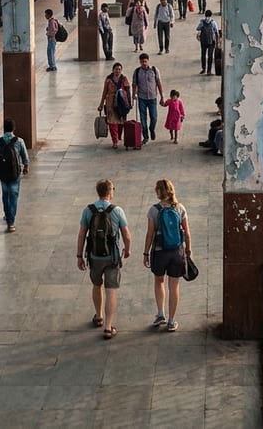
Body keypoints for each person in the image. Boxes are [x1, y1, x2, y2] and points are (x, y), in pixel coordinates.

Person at [76, 179, 132, 339]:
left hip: (94, 256)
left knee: (96, 284)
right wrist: (127, 250)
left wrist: (80, 255)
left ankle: (98, 315)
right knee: (111, 290)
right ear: (110, 192)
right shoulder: (117, 211)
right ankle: (108, 327)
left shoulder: (88, 210)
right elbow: (127, 235)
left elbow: (82, 234)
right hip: (112, 256)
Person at [142, 179, 192, 332]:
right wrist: (188, 250)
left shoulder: (154, 210)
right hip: (176, 252)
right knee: (174, 285)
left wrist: (145, 252)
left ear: (159, 192)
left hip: (159, 251)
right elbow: (187, 234)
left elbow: (150, 234)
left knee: (159, 281)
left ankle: (160, 313)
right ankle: (171, 321)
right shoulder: (180, 208)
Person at [0, 118, 30, 232]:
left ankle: (7, 215)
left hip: (2, 174)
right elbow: (25, 157)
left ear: (4, 129)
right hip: (15, 173)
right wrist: (26, 167)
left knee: (5, 195)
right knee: (13, 195)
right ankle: (11, 223)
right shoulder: (19, 141)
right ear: (13, 128)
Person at [98, 62, 132, 149]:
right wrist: (101, 104)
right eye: (116, 69)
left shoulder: (124, 79)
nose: (118, 71)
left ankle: (119, 136)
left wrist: (129, 103)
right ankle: (115, 141)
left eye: (119, 69)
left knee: (121, 122)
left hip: (121, 104)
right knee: (112, 123)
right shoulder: (108, 80)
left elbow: (128, 92)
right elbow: (104, 92)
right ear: (113, 70)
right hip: (110, 104)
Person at [132, 53, 164, 143]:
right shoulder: (137, 71)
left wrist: (162, 96)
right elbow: (134, 84)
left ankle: (152, 129)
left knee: (154, 117)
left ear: (148, 61)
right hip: (142, 98)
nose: (144, 63)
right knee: (143, 118)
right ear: (140, 62)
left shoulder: (154, 70)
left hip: (152, 98)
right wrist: (134, 94)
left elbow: (158, 83)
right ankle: (145, 136)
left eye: (145, 61)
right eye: (142, 62)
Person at [196, 9, 220, 75]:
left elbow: (198, 28)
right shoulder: (213, 22)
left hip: (203, 41)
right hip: (211, 42)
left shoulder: (202, 22)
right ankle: (209, 71)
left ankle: (203, 69)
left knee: (203, 55)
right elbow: (216, 32)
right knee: (210, 56)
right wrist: (217, 42)